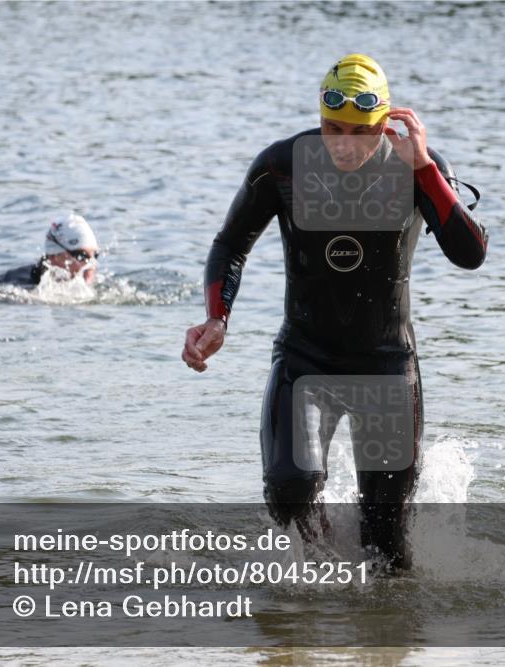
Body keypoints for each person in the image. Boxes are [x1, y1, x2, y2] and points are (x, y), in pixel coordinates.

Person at [182, 54, 488, 570]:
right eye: (333, 128)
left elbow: (470, 254)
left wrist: (426, 170)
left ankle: (378, 622)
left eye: (361, 131)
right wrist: (217, 318)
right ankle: (318, 590)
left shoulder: (418, 165)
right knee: (288, 493)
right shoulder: (283, 165)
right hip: (306, 360)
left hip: (388, 367)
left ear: (385, 121)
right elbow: (231, 243)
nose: (345, 143)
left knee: (388, 547)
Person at [0, 212, 100, 287]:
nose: (91, 264)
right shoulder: (16, 286)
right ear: (54, 256)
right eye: (81, 256)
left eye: (95, 256)